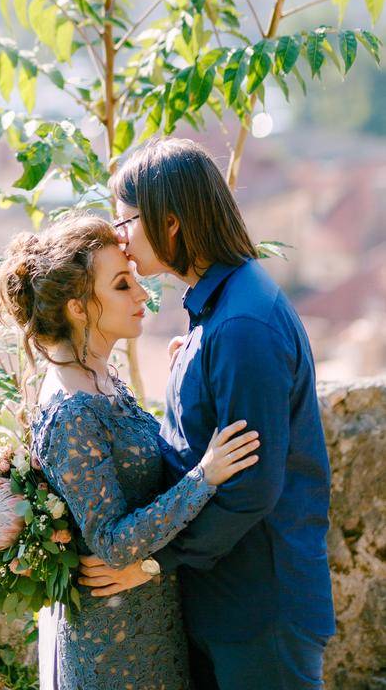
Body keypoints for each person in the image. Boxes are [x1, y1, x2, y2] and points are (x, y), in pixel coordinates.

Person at [79, 135, 335, 690]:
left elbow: (251, 488)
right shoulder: (219, 309)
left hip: (259, 607)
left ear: (170, 222)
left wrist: (148, 563)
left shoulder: (243, 326)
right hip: (230, 599)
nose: (120, 240)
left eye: (126, 221)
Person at [0, 214, 260, 690]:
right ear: (79, 308)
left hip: (148, 622)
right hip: (115, 648)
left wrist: (185, 374)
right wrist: (205, 476)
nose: (142, 295)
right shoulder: (72, 412)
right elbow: (113, 543)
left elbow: (134, 464)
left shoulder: (99, 378)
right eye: (122, 285)